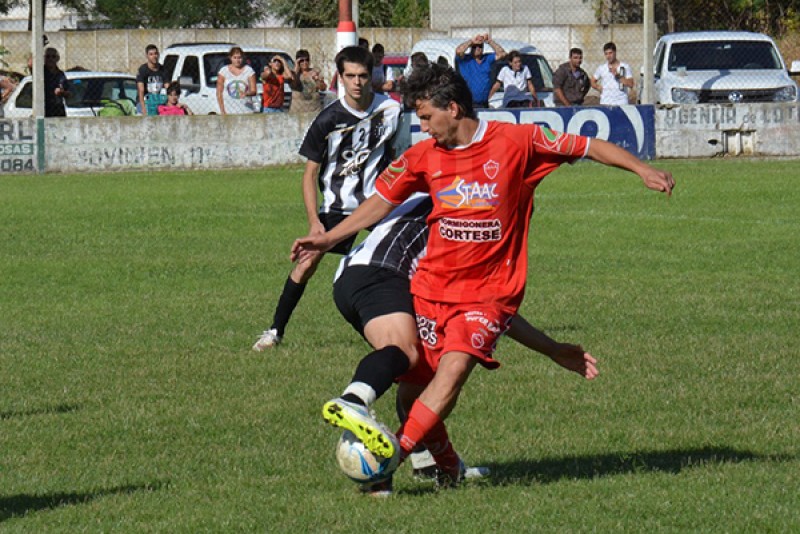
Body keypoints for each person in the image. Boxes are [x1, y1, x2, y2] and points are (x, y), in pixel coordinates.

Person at [292, 63, 674, 484]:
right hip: (431, 288)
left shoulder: (517, 141)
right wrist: (328, 239)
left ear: (453, 108)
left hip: (489, 293)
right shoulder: (423, 157)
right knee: (414, 390)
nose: (422, 127)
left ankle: (389, 460)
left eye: (426, 117)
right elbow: (380, 202)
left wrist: (642, 169)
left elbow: (587, 146)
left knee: (453, 371)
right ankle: (447, 468)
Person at [328, 192, 598, 494]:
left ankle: (445, 468)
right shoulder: (470, 213)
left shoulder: (450, 191)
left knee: (418, 381)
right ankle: (355, 403)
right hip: (383, 273)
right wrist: (551, 349)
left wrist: (552, 349)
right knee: (412, 357)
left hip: (355, 276)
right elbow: (487, 304)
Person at [252, 46, 402, 350]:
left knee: (410, 258)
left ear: (371, 76)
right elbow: (309, 175)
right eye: (350, 76)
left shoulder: (391, 111)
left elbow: (400, 159)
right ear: (340, 78)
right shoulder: (327, 119)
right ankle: (275, 331)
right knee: (307, 263)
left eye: (363, 76)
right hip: (337, 205)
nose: (357, 82)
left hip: (378, 203)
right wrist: (314, 222)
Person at [455, 33, 506, 108]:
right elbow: (459, 51)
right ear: (471, 48)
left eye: (480, 46)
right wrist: (471, 41)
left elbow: (502, 54)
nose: (478, 48)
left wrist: (490, 41)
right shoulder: (465, 60)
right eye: (475, 46)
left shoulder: (487, 58)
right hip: (468, 103)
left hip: (483, 103)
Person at [216, 46, 258, 115]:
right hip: (229, 111)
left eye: (239, 57)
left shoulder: (249, 70)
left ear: (243, 58)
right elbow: (219, 93)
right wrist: (222, 111)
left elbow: (254, 91)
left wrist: (246, 93)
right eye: (235, 57)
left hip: (246, 111)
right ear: (230, 58)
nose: (237, 60)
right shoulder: (223, 71)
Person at [591, 42, 634, 106]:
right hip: (605, 102)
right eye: (606, 54)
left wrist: (618, 76)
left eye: (610, 53)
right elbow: (592, 81)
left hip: (621, 102)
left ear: (615, 52)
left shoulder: (625, 66)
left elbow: (631, 84)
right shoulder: (602, 68)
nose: (608, 56)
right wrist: (599, 88)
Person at [288, 49, 326, 114]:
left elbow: (323, 88)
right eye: (301, 60)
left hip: (314, 109)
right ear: (297, 62)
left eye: (307, 60)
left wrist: (317, 80)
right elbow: (292, 85)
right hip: (297, 111)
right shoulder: (294, 73)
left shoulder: (316, 71)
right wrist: (296, 68)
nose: (305, 62)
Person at [136, 44, 169, 116]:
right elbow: (141, 91)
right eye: (151, 54)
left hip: (158, 101)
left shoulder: (163, 69)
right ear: (147, 56)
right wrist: (143, 108)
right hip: (145, 101)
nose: (154, 56)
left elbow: (168, 88)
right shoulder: (142, 70)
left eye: (156, 53)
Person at [43, 47, 71, 117]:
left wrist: (62, 92)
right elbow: (30, 64)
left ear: (57, 58)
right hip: (44, 109)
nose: (50, 59)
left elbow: (69, 93)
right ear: (44, 58)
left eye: (53, 56)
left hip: (58, 109)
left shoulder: (60, 74)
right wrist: (40, 46)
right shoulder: (41, 73)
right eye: (48, 56)